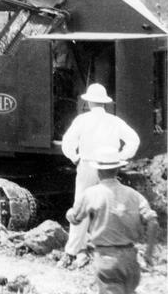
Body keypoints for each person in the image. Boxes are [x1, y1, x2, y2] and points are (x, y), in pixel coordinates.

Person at [59, 83, 141, 268]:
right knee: (110, 205)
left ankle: (72, 252)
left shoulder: (82, 120)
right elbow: (134, 140)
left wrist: (75, 158)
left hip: (88, 165)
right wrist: (120, 156)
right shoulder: (114, 121)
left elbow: (67, 141)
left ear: (88, 102)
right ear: (104, 104)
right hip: (109, 166)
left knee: (81, 207)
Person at [66, 145, 158, 294]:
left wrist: (70, 213)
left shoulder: (91, 194)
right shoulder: (134, 195)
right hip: (130, 259)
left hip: (106, 259)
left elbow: (75, 219)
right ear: (117, 170)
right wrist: (148, 253)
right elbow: (153, 222)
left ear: (98, 170)